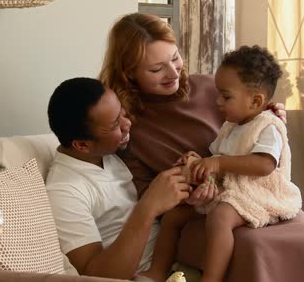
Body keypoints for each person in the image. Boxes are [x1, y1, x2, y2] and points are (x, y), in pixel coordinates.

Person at [99, 13, 304, 282]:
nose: (173, 72)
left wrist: (271, 116)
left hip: (251, 193)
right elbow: (148, 193)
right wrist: (191, 192)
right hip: (197, 213)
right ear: (128, 72)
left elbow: (253, 121)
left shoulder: (212, 87)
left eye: (175, 57)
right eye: (156, 69)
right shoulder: (128, 126)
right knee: (252, 245)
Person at [45, 77, 200, 281]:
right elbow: (97, 276)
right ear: (82, 145)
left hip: (176, 256)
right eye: (115, 124)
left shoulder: (109, 153)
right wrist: (148, 207)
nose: (128, 124)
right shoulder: (65, 191)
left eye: (122, 113)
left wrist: (190, 169)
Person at [181, 45, 302, 282]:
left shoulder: (268, 127)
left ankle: (211, 278)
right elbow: (215, 157)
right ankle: (157, 267)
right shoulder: (230, 127)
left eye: (225, 96)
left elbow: (263, 166)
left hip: (260, 192)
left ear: (256, 101)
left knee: (220, 217)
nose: (217, 101)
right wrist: (196, 160)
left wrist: (217, 163)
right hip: (233, 188)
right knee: (176, 214)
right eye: (217, 93)